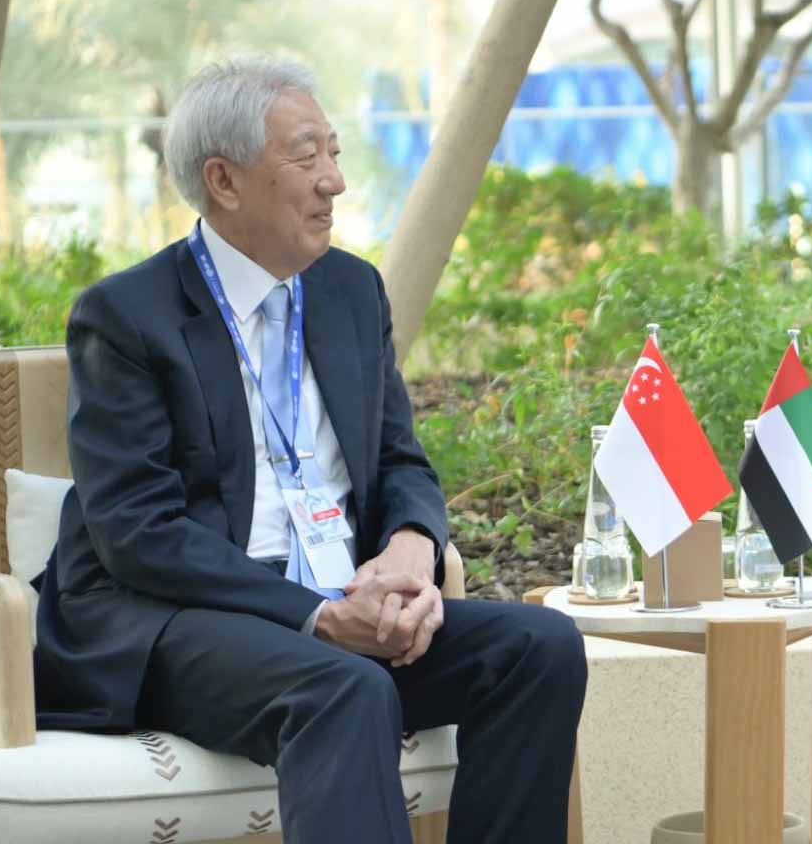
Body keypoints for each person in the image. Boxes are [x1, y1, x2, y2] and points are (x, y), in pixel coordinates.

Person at [33, 58, 586, 843]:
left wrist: (408, 553)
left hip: (339, 596)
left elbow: (399, 461)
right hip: (181, 621)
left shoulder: (350, 292)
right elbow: (137, 532)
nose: (335, 181)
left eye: (334, 151)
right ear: (224, 181)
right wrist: (320, 616)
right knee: (345, 686)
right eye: (306, 155)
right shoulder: (126, 317)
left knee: (540, 646)